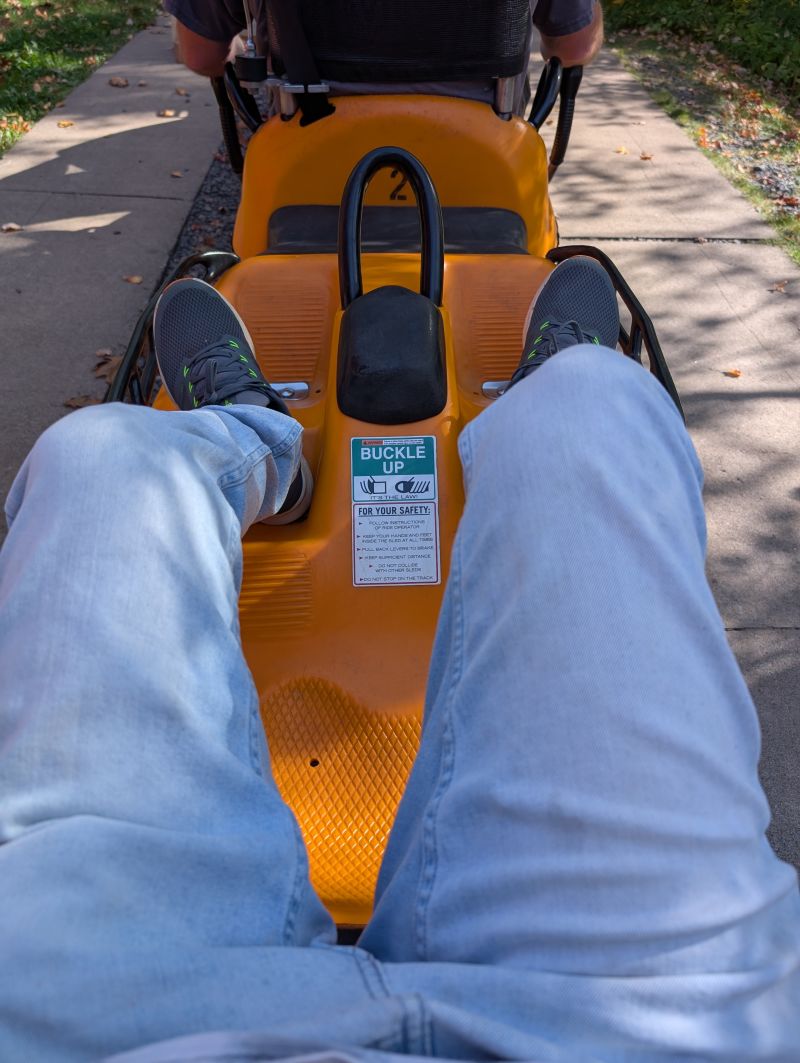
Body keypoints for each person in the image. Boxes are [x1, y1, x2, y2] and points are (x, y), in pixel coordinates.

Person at [1, 258, 799, 1062]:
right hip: (651, 1021)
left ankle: (256, 433)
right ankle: (535, 403)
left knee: (95, 452)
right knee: (597, 406)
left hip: (97, 1008)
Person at [166, 0, 604, 110]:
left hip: (307, 137)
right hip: (483, 131)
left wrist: (243, 47)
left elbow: (202, 55)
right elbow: (574, 47)